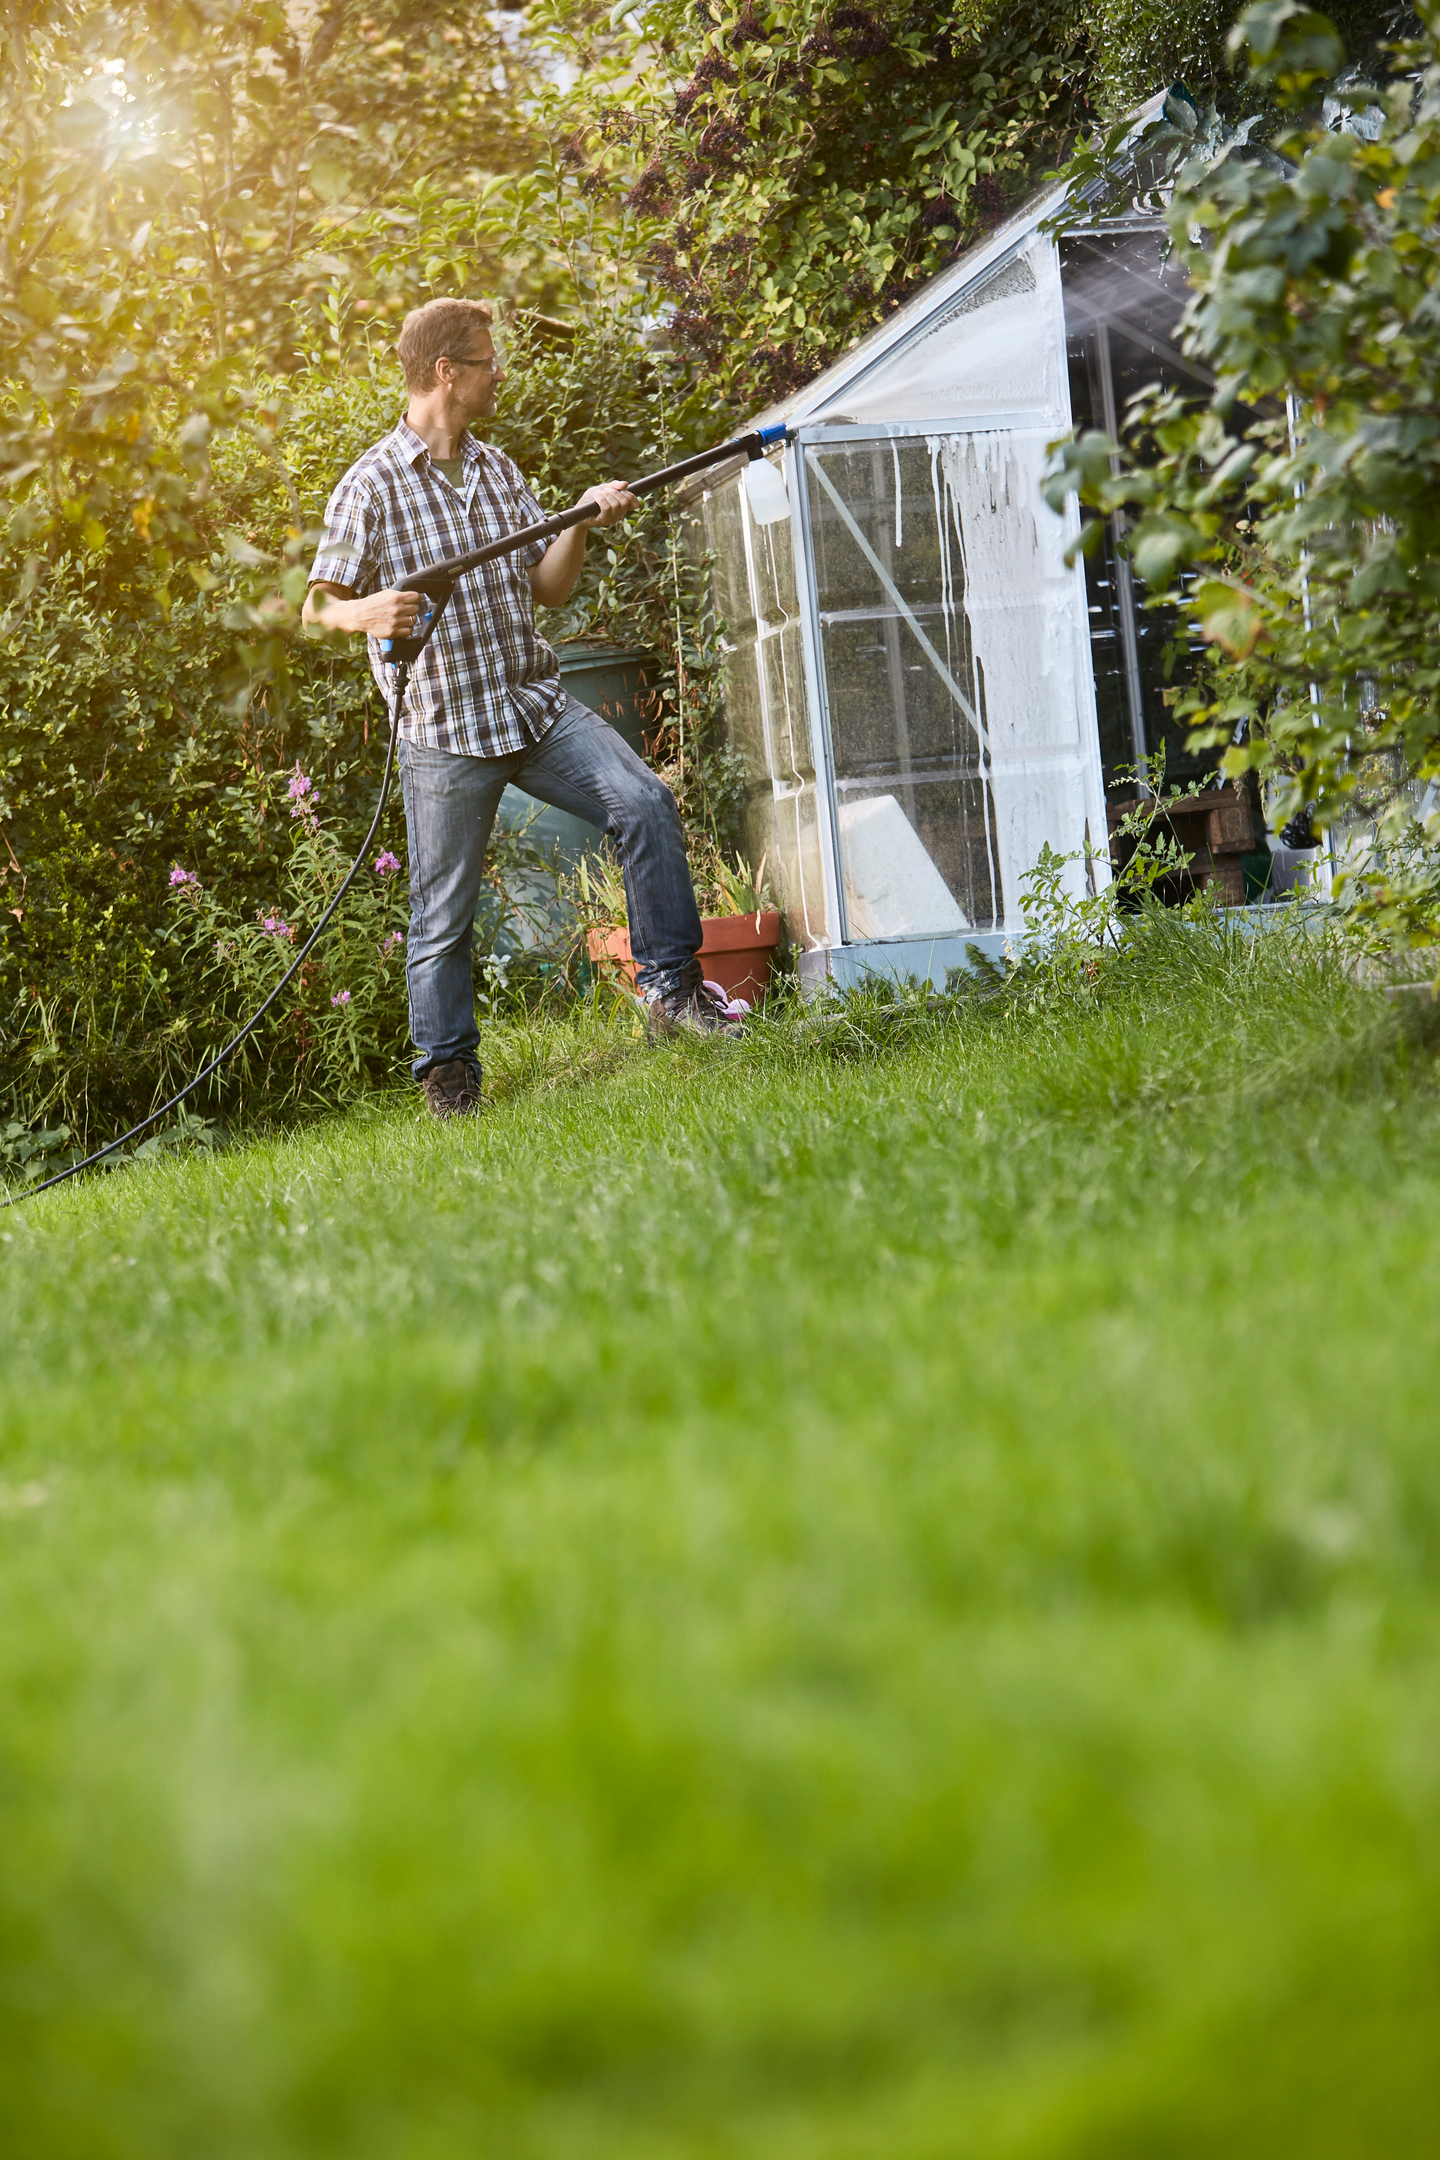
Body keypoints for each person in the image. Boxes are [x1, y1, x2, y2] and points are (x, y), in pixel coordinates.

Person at [303, 294, 733, 1122]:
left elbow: (549, 586)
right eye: (486, 362)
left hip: (533, 706)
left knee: (643, 802)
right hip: (444, 731)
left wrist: (581, 519)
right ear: (445, 372)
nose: (499, 374)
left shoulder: (499, 471)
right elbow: (317, 606)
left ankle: (675, 1000)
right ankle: (450, 1079)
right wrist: (365, 611)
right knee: (443, 917)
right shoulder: (373, 484)